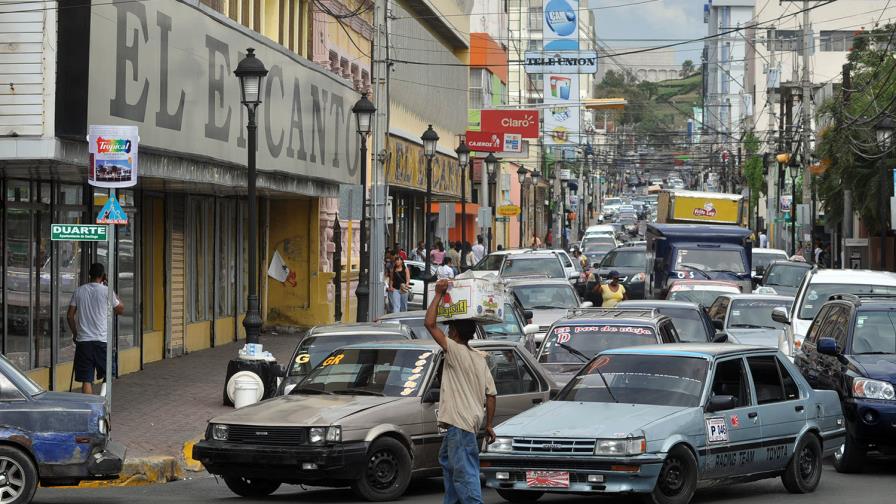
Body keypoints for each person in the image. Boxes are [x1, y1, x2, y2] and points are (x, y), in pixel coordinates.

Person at [424, 280, 497, 504]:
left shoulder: (454, 350)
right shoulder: (478, 357)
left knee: (465, 475)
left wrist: (437, 294)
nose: (447, 331)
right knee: (448, 463)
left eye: (450, 328)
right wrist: (488, 424)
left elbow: (429, 324)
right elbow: (491, 395)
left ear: (454, 333)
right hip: (469, 423)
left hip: (460, 425)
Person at [67, 263, 124, 394]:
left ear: (89, 275)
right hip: (102, 341)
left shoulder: (79, 291)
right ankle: (103, 401)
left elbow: (70, 316)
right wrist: (110, 288)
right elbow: (120, 309)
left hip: (84, 342)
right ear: (103, 276)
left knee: (86, 379)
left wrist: (75, 334)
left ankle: (91, 408)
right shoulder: (106, 291)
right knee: (108, 373)